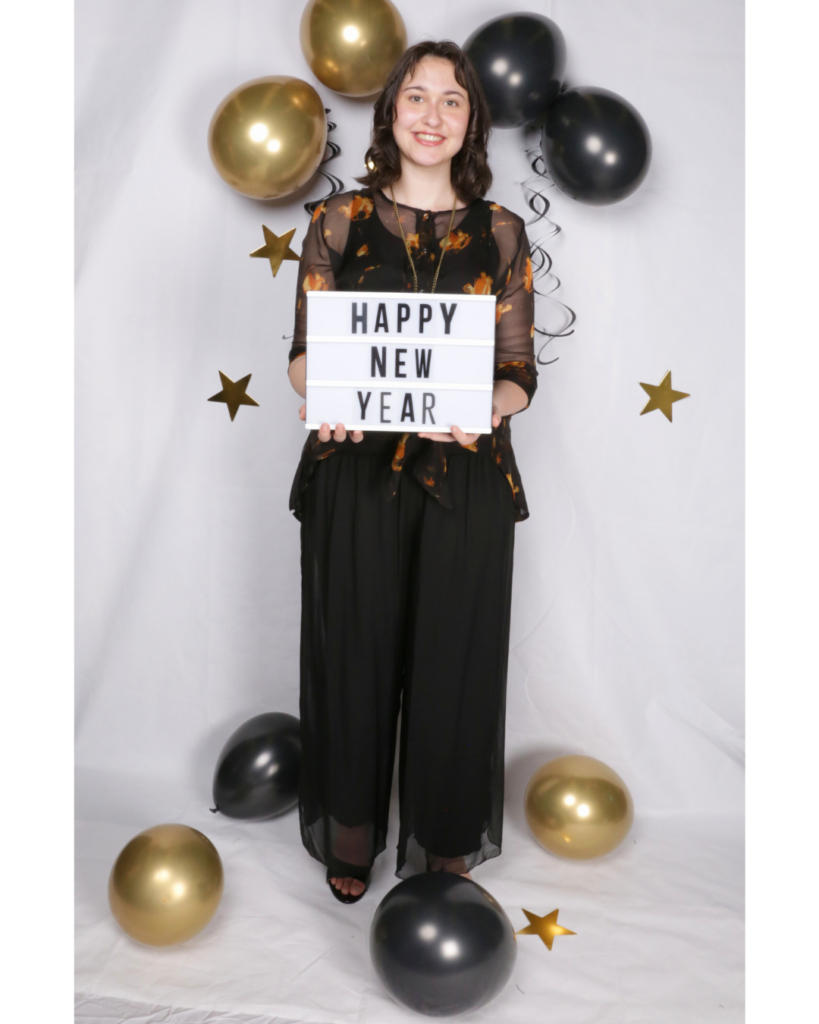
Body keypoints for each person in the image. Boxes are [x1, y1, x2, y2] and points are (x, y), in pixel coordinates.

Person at [287, 40, 537, 903]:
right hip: (355, 469)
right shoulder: (337, 223)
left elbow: (517, 369)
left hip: (465, 474)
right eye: (416, 97)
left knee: (454, 657)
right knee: (354, 646)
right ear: (390, 111)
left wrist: (490, 406)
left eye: (452, 100)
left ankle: (442, 836)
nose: (432, 115)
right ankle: (350, 830)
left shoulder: (502, 232)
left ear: (471, 121)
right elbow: (303, 356)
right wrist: (323, 394)